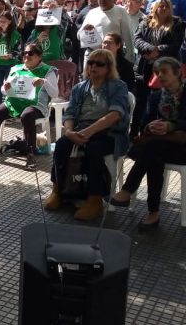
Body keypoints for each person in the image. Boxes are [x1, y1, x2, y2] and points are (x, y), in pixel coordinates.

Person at [111, 57, 186, 231]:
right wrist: (151, 126)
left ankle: (131, 192)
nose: (160, 76)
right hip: (162, 145)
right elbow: (143, 125)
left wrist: (172, 125)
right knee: (153, 155)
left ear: (178, 73)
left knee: (151, 151)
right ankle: (152, 213)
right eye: (157, 72)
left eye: (164, 71)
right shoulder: (156, 97)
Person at [44, 49, 130, 221]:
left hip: (109, 132)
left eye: (99, 64)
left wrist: (88, 132)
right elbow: (70, 114)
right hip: (81, 130)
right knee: (61, 145)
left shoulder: (117, 86)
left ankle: (94, 200)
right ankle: (58, 190)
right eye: (91, 63)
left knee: (94, 149)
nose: (93, 67)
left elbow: (115, 115)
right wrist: (69, 132)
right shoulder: (80, 88)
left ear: (109, 67)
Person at [0, 43, 59, 170]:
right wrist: (6, 87)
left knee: (27, 115)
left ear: (39, 56)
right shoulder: (16, 68)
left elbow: (55, 93)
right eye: (24, 53)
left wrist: (44, 82)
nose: (26, 56)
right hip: (14, 103)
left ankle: (30, 155)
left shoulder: (47, 70)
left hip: (36, 105)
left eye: (30, 53)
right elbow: (4, 90)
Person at [131, 0, 185, 136]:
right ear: (155, 8)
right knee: (141, 102)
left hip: (165, 69)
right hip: (144, 67)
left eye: (166, 6)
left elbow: (176, 44)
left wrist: (158, 50)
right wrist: (150, 49)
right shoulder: (145, 21)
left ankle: (156, 132)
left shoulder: (177, 23)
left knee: (161, 101)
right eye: (160, 6)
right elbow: (137, 39)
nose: (163, 9)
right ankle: (135, 132)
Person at [79, 0, 136, 64]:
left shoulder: (121, 12)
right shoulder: (92, 13)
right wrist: (84, 30)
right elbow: (79, 36)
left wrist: (130, 57)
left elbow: (128, 36)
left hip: (112, 58)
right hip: (91, 56)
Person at [0, 11, 22, 107]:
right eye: (0, 21)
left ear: (10, 22)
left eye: (4, 21)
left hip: (10, 65)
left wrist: (10, 55)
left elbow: (18, 51)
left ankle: (12, 109)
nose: (2, 23)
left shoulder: (15, 34)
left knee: (10, 88)